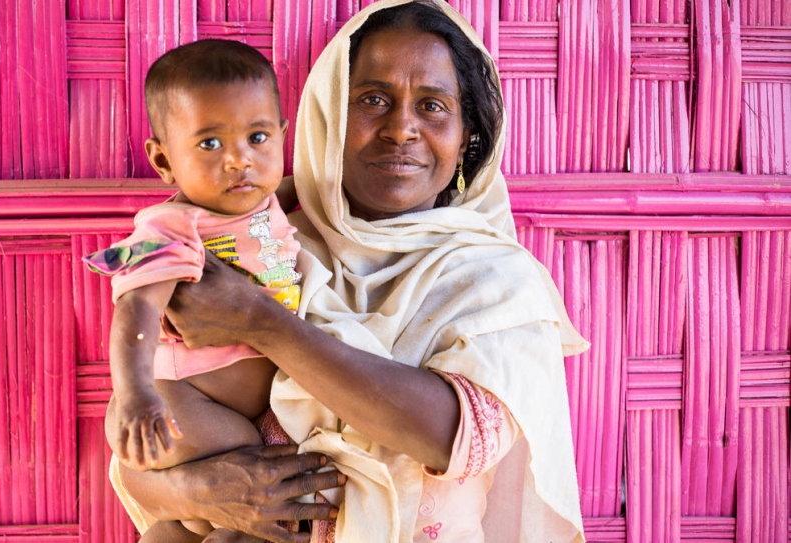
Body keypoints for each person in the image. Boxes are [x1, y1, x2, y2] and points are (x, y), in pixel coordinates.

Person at [106, 1, 590, 541]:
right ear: (328, 114)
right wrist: (196, 492)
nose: (402, 128)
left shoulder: (498, 279)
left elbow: (453, 436)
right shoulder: (263, 244)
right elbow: (144, 442)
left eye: (432, 106)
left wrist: (262, 323)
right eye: (373, 100)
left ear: (466, 135)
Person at [83, 39, 302, 543]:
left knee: (193, 526)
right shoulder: (175, 228)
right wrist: (136, 393)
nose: (239, 161)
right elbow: (136, 308)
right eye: (210, 144)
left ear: (282, 137)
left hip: (224, 410)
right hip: (185, 404)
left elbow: (291, 190)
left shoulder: (259, 201)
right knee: (252, 483)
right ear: (163, 161)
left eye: (258, 137)